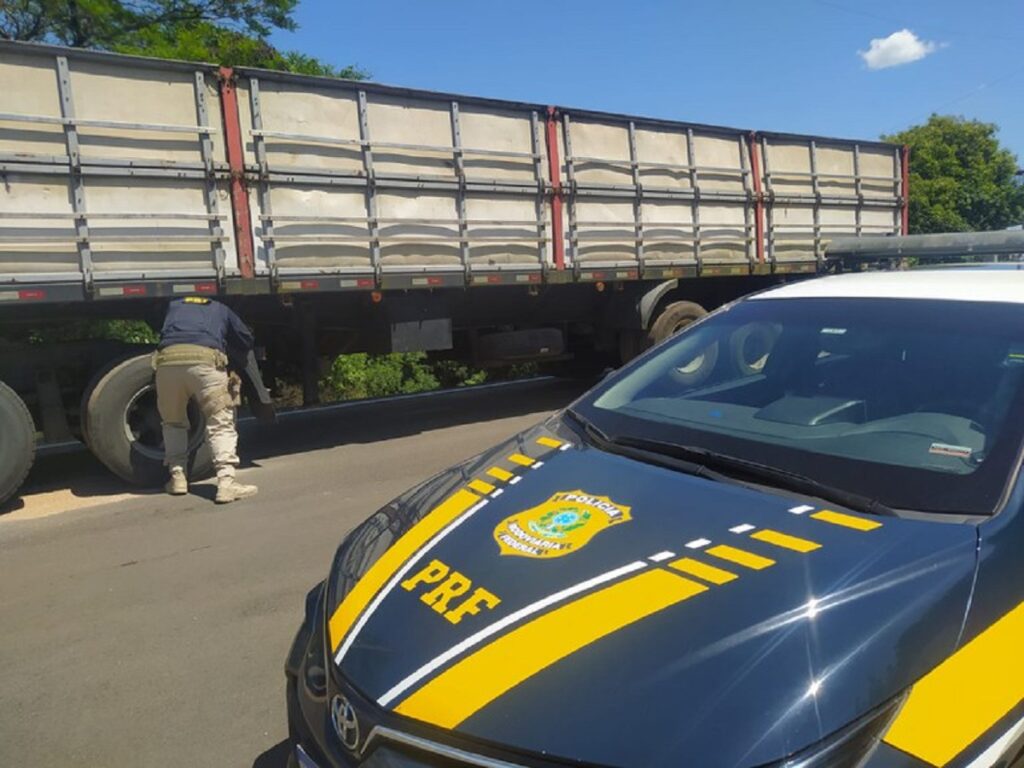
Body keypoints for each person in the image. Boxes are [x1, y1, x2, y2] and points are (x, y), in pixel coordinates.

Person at [153, 296, 258, 503]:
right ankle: (227, 484)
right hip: (206, 364)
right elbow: (246, 338)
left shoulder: (173, 306)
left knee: (173, 423)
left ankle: (177, 478)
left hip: (167, 365)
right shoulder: (220, 308)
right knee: (220, 423)